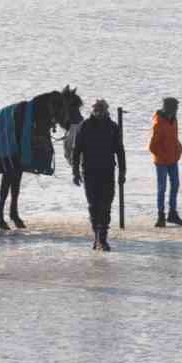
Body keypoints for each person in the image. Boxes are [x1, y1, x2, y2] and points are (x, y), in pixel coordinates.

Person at [70, 98, 126, 251]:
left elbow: (120, 151)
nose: (98, 111)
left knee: (106, 205)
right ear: (92, 110)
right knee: (94, 206)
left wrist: (122, 172)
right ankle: (97, 236)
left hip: (108, 171)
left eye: (101, 109)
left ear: (106, 110)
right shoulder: (85, 126)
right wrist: (75, 172)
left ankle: (103, 238)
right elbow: (76, 151)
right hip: (89, 172)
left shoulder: (113, 127)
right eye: (96, 108)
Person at [148, 96, 182, 228]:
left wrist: (179, 148)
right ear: (169, 108)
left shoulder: (173, 119)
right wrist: (164, 156)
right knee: (162, 188)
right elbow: (152, 146)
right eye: (175, 108)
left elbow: (174, 137)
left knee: (175, 185)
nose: (177, 110)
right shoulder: (158, 122)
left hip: (173, 159)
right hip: (162, 161)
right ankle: (161, 216)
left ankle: (172, 213)